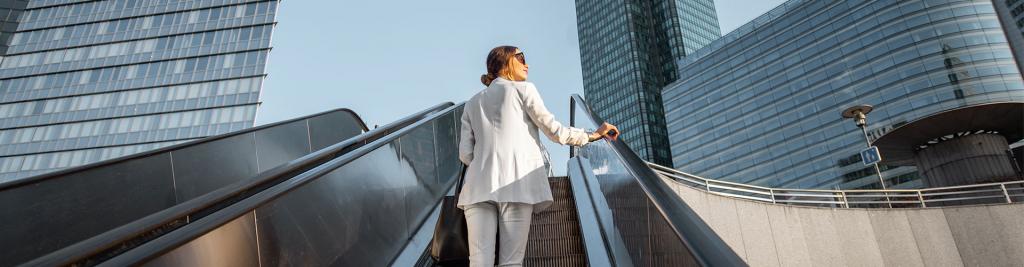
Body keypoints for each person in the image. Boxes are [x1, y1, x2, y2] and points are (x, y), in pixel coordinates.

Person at [457, 45, 619, 267]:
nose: (527, 64)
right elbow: (555, 132)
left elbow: (465, 154)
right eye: (521, 57)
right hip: (516, 185)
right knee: (511, 263)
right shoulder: (524, 90)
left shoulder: (472, 103)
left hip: (476, 190)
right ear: (505, 62)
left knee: (478, 262)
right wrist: (593, 135)